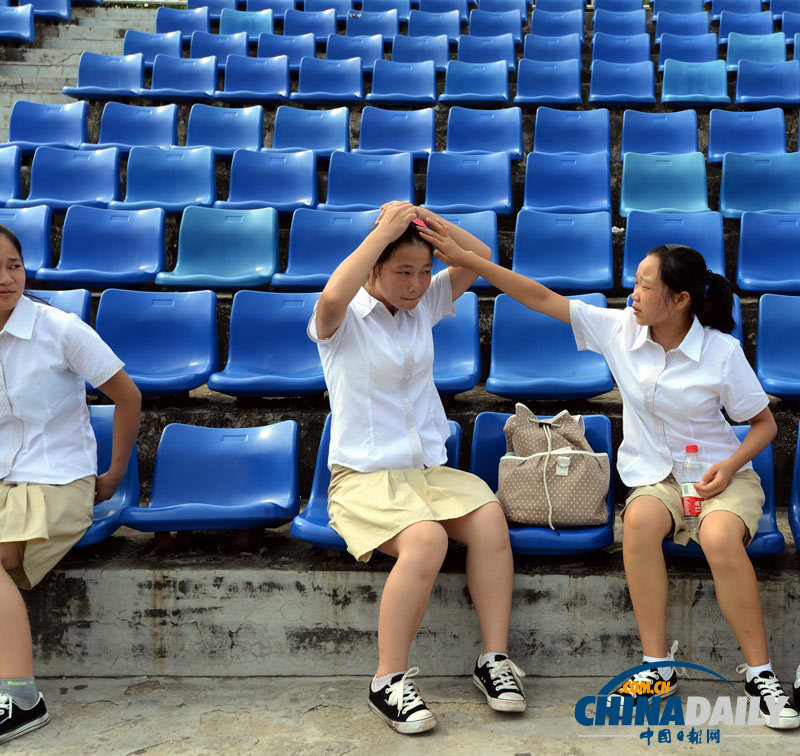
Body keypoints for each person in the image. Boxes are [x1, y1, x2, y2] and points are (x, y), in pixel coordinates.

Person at [423, 230, 800, 731]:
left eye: (645, 287)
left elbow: (764, 425)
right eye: (635, 284)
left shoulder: (721, 352)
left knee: (718, 537)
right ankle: (656, 667)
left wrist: (729, 467)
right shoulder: (620, 330)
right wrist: (474, 263)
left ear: (680, 299)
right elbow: (540, 296)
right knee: (640, 523)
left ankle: (760, 674)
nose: (634, 295)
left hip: (720, 479)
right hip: (657, 480)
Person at [307, 202, 526, 735]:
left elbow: (480, 256)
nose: (416, 283)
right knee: (426, 540)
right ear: (375, 267)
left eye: (424, 271)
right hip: (364, 477)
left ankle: (493, 660)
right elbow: (335, 293)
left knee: (489, 519)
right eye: (403, 271)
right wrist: (384, 230)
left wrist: (427, 222)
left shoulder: (423, 305)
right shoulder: (341, 320)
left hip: (427, 471)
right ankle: (388, 680)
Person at [0, 225, 141, 745]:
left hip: (58, 479)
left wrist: (115, 475)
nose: (6, 277)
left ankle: (21, 697)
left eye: (13, 264)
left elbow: (128, 397)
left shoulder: (59, 329)